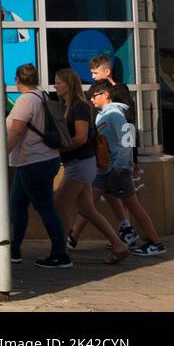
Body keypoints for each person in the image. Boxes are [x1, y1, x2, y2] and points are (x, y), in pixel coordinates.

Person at [53, 69, 131, 264]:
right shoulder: (67, 106)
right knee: (88, 209)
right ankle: (119, 245)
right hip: (79, 163)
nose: (55, 86)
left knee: (60, 204)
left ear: (68, 84)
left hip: (80, 163)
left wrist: (60, 148)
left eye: (58, 83)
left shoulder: (79, 107)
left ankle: (61, 253)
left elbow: (80, 137)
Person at [88, 81, 166, 256]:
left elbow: (126, 142)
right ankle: (72, 238)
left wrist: (121, 166)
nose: (91, 99)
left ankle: (156, 242)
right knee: (87, 205)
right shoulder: (102, 115)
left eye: (94, 95)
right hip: (106, 170)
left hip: (117, 169)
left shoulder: (114, 115)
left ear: (105, 95)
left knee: (133, 205)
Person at [5, 63, 71, 268]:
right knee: (17, 205)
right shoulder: (41, 95)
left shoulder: (26, 101)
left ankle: (60, 253)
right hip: (42, 159)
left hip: (34, 161)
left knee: (44, 206)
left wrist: (2, 154)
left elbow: (16, 131)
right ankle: (14, 249)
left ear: (17, 80)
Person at [77, 54, 141, 247]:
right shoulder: (96, 93)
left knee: (124, 200)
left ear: (107, 72)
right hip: (105, 157)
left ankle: (138, 234)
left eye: (95, 73)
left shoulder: (118, 93)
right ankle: (126, 230)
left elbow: (127, 127)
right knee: (110, 196)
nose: (93, 76)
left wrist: (129, 159)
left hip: (117, 158)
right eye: (91, 73)